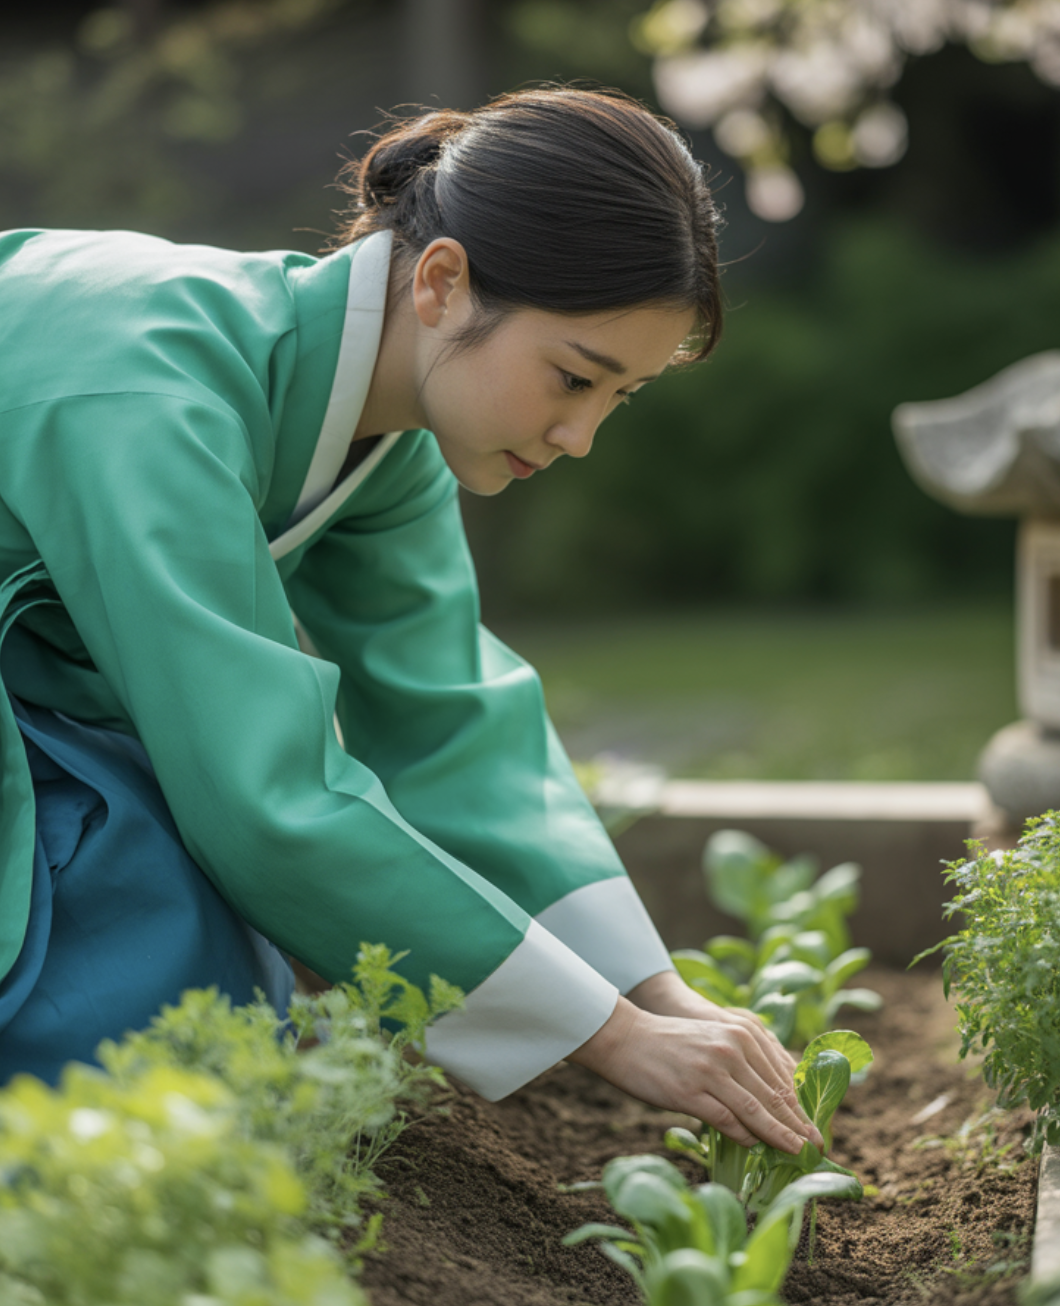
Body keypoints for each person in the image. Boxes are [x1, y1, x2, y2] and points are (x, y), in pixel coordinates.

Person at [0, 86, 819, 1158]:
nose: (579, 436)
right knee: (153, 981)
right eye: (573, 377)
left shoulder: (382, 440)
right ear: (441, 280)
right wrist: (610, 1037)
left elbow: (451, 726)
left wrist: (656, 993)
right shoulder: (156, 394)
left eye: (619, 398)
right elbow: (262, 791)